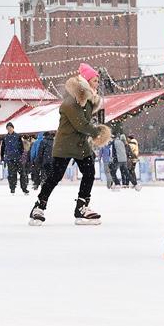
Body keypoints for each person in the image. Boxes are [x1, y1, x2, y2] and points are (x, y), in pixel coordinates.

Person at [29, 64, 111, 226]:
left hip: (80, 144)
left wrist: (94, 132)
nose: (97, 83)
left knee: (89, 172)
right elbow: (80, 124)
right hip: (66, 144)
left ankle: (81, 207)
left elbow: (84, 123)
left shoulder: (87, 99)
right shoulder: (72, 101)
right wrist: (97, 133)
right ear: (87, 81)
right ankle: (39, 207)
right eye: (95, 80)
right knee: (55, 176)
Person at [0, 122, 28, 195]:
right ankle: (12, 189)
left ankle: (24, 189)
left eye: (10, 128)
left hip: (18, 158)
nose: (9, 129)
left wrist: (20, 155)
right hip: (10, 159)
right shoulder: (5, 137)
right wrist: (2, 157)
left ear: (13, 128)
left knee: (23, 174)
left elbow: (22, 147)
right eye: (8, 128)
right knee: (12, 175)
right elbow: (2, 148)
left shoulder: (18, 136)